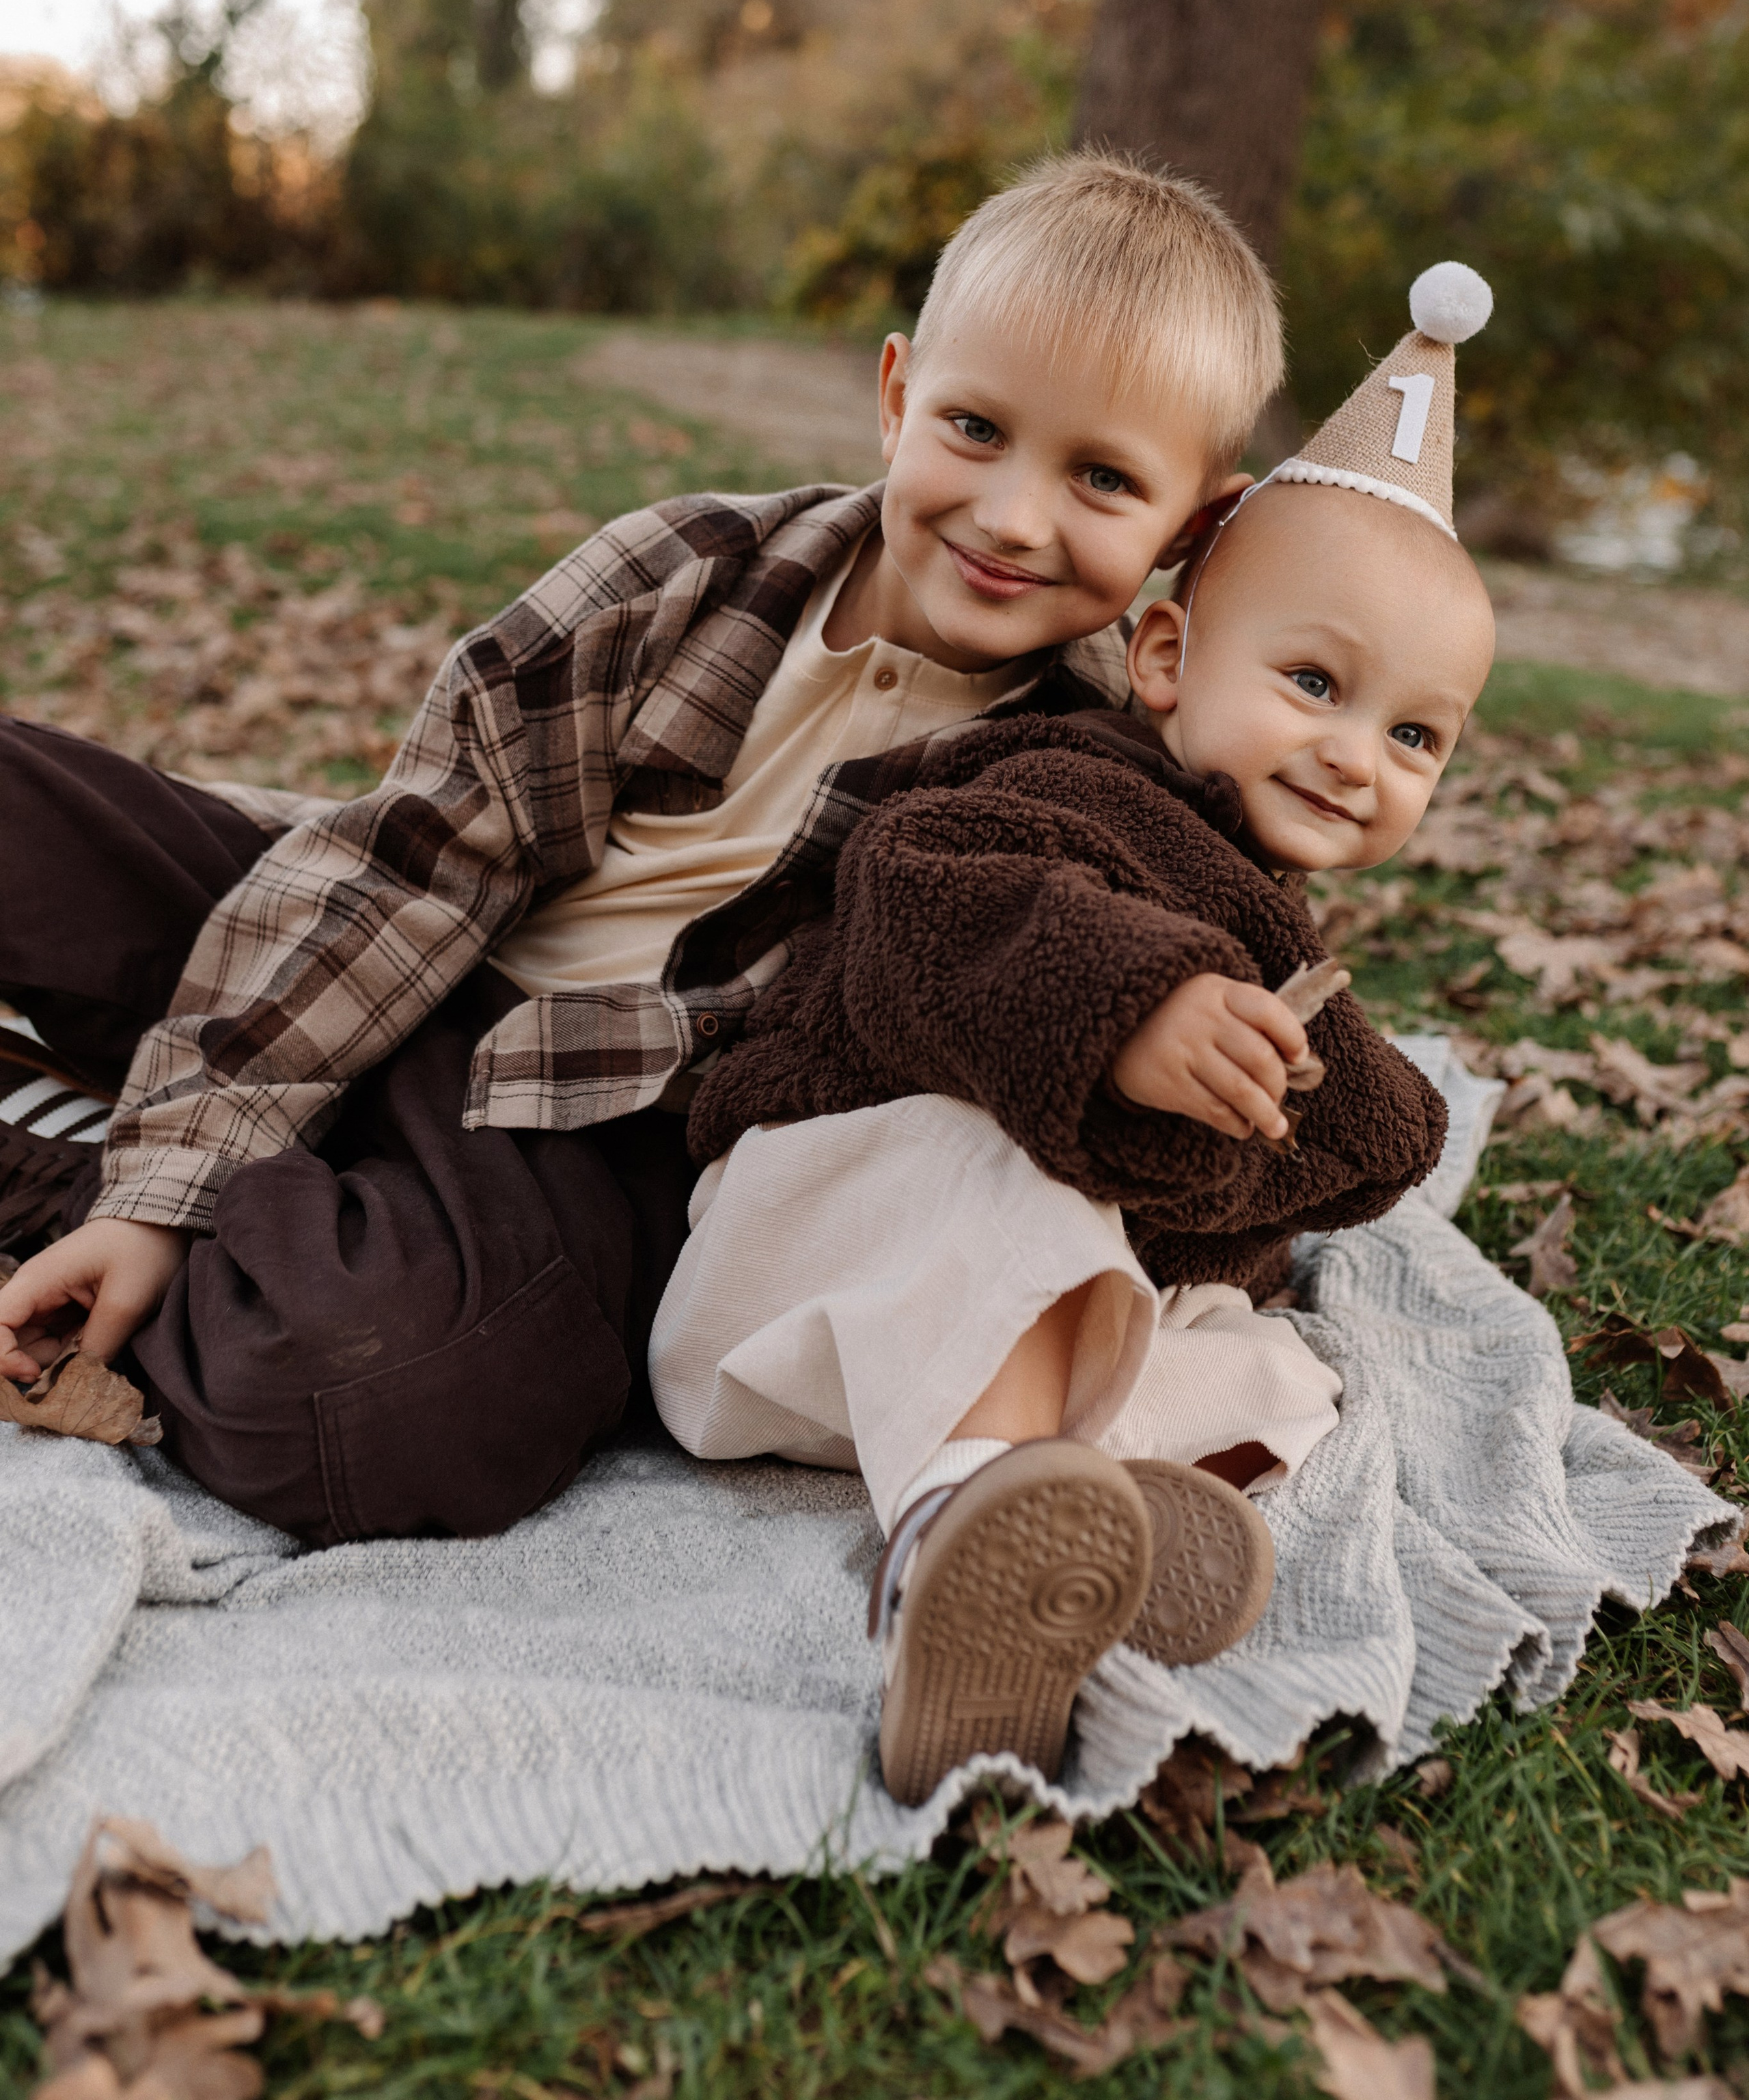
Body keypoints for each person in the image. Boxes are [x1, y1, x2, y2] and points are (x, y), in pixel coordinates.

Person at [0, 153, 1282, 1548]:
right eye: (975, 428)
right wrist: (184, 1175)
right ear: (897, 394)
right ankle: (190, 1158)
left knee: (365, 1401)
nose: (1014, 516)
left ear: (1193, 523)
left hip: (595, 1137)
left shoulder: (1093, 775)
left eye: (1102, 478)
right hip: (428, 941)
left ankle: (66, 1177)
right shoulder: (688, 572)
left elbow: (1148, 1042)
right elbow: (414, 862)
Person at [649, 265, 1499, 1804]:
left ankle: (1091, 1525)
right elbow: (918, 901)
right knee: (1006, 1184)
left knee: (1269, 1363)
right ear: (1165, 657)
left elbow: (1331, 1153)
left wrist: (1333, 1103)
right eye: (1314, 683)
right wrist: (1130, 1007)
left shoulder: (1272, 922)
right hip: (811, 1266)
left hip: (973, 1360)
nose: (1353, 756)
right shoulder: (1064, 783)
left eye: (1411, 734)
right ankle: (958, 1562)